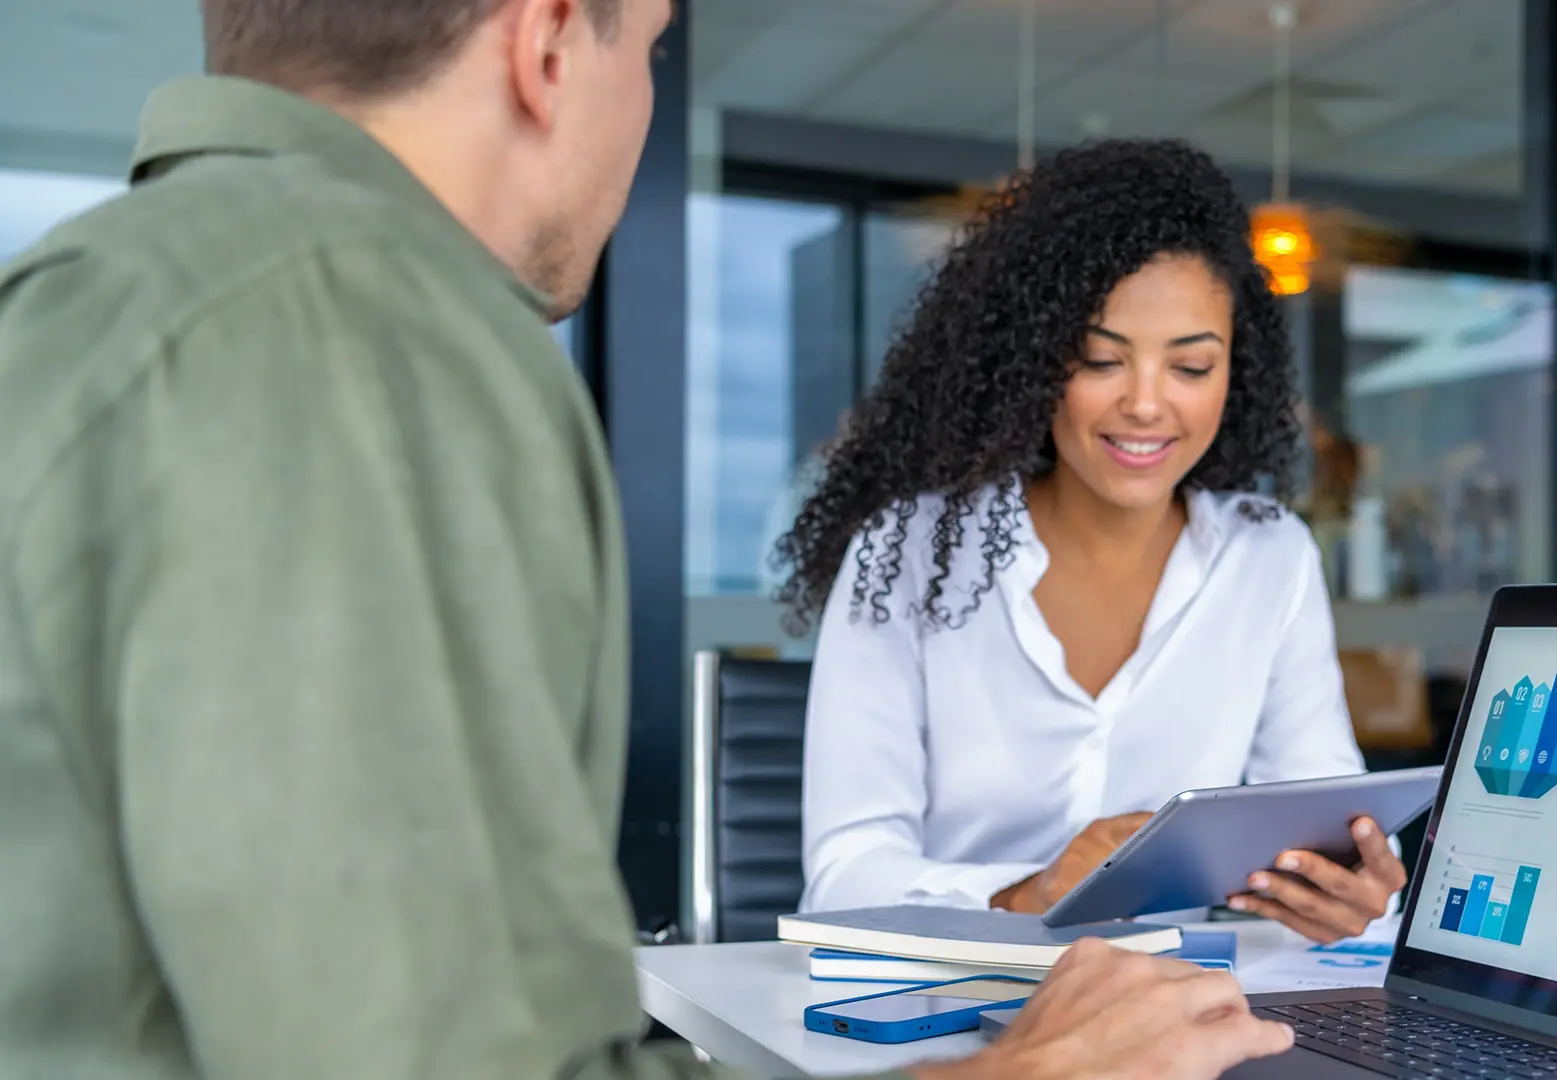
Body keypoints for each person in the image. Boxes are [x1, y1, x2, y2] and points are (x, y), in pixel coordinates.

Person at [0, 2, 1295, 1078]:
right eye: (655, 52)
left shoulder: (119, 298)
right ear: (552, 41)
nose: (646, 109)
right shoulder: (344, 331)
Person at [777, 140, 1408, 943]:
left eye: (1190, 367)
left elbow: (1331, 816)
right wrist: (1030, 893)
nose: (1146, 405)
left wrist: (1355, 889)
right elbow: (843, 878)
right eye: (1102, 359)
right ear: (1035, 363)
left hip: (1174, 1015)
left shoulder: (1269, 557)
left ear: (1233, 376)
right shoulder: (905, 554)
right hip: (939, 1016)